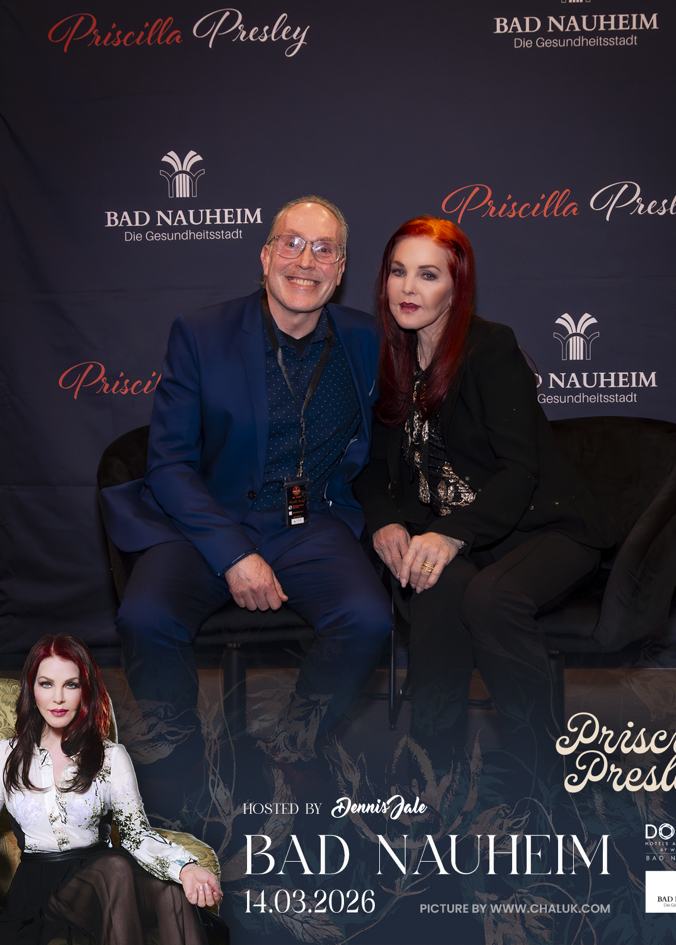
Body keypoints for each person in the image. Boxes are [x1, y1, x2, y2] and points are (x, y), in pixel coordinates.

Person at [100, 196, 391, 804]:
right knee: (145, 618)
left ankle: (293, 747)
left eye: (324, 250)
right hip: (206, 520)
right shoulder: (201, 333)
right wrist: (233, 553)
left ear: (340, 269)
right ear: (264, 256)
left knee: (367, 620)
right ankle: (178, 760)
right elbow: (169, 464)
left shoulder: (367, 338)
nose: (305, 261)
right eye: (292, 243)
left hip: (308, 519)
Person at [355, 217, 608, 791]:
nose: (408, 288)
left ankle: (540, 775)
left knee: (491, 599)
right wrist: (385, 521)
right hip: (461, 533)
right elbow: (369, 466)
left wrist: (449, 534)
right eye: (398, 272)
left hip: (543, 527)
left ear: (456, 287)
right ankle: (432, 773)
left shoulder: (490, 348)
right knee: (434, 584)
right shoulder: (388, 356)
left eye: (428, 275)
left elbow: (521, 471)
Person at [0, 633, 222, 945]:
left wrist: (184, 867)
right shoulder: (6, 755)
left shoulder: (110, 756)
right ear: (31, 689)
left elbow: (136, 835)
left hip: (104, 873)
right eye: (46, 684)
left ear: (85, 691)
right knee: (115, 867)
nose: (58, 698)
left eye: (71, 685)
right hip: (41, 889)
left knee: (171, 891)